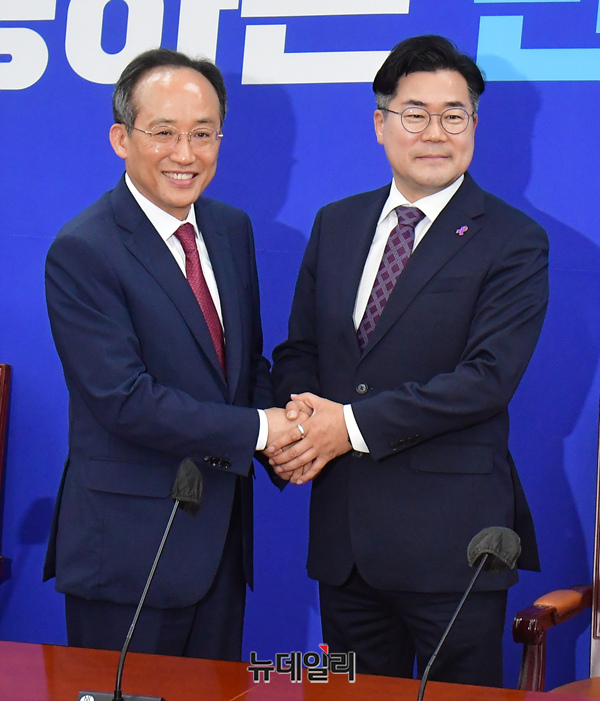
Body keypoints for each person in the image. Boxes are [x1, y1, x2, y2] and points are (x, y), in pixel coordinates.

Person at [268, 35, 549, 687]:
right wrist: (302, 422)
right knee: (347, 694)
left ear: (474, 125)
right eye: (415, 113)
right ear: (381, 123)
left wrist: (348, 427)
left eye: (454, 115)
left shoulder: (513, 240)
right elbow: (300, 350)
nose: (435, 132)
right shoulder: (336, 224)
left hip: (454, 546)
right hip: (345, 544)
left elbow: (486, 379)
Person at [43, 48, 292, 661]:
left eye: (203, 134)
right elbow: (124, 400)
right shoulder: (84, 248)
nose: (186, 154)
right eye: (164, 133)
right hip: (129, 555)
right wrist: (264, 431)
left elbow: (244, 365)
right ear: (121, 139)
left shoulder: (231, 229)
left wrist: (289, 441)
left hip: (221, 549)